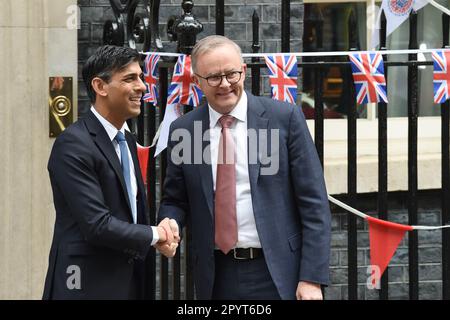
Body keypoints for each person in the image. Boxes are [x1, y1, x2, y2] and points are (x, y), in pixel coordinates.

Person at [158, 35, 331, 300]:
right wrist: (169, 223)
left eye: (232, 74)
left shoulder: (283, 119)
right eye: (214, 77)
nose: (225, 84)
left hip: (279, 272)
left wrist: (311, 278)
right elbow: (175, 199)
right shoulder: (185, 130)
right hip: (216, 274)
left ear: (244, 72)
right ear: (196, 81)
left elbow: (314, 203)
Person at [43, 45, 178, 300]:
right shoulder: (73, 144)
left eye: (140, 77)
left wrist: (158, 234)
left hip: (130, 282)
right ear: (100, 86)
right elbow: (97, 224)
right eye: (130, 78)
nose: (142, 87)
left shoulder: (125, 137)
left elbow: (129, 212)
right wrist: (156, 234)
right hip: (85, 286)